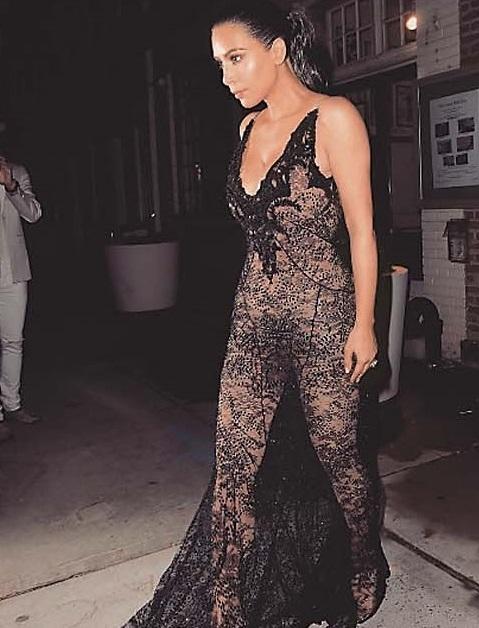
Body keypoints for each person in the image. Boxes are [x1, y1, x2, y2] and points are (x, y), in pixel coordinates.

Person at [124, 1, 390, 625]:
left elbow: (362, 232)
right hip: (253, 319)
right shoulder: (247, 129)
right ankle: (227, 601)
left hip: (324, 318)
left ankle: (362, 562)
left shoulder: (335, 118)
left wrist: (365, 323)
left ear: (276, 50)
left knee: (341, 460)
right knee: (234, 464)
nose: (226, 77)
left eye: (236, 59)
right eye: (219, 64)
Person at [0, 151, 42, 443]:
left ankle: (12, 403)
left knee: (13, 341)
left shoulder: (17, 171)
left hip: (13, 272)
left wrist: (11, 185)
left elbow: (34, 214)